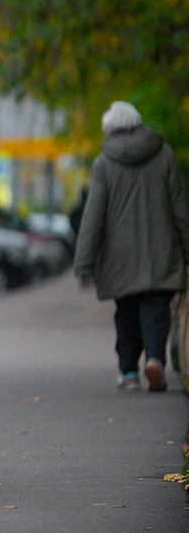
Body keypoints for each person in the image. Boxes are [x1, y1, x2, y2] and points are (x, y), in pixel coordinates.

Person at [73, 101, 189, 393]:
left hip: (119, 256)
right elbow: (181, 208)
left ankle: (128, 372)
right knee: (156, 307)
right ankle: (155, 360)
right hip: (161, 251)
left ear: (110, 128)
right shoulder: (163, 154)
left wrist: (84, 263)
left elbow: (93, 216)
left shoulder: (104, 162)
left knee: (125, 311)